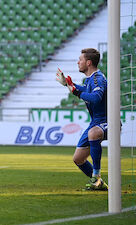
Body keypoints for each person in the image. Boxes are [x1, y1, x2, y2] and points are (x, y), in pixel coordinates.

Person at [56, 48, 108, 190]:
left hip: (108, 121)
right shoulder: (90, 79)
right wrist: (68, 85)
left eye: (81, 60)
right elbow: (85, 90)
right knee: (78, 159)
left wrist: (76, 91)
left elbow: (96, 98)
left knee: (93, 134)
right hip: (95, 122)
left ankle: (96, 177)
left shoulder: (98, 78)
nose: (78, 62)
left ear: (89, 62)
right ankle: (99, 184)